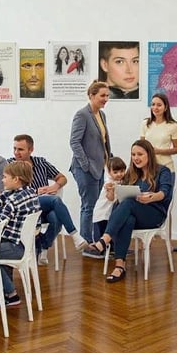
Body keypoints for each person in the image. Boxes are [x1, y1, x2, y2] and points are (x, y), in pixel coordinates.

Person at [83, 140, 172, 282]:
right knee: (127, 218)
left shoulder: (163, 171)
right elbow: (114, 198)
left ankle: (104, 240)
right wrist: (110, 192)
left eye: (140, 154)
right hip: (134, 215)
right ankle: (119, 266)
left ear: (149, 154)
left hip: (155, 214)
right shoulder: (131, 173)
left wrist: (152, 197)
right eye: (133, 154)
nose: (136, 158)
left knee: (129, 203)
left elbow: (164, 193)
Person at [7, 134, 88, 265]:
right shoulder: (10, 165)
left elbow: (62, 178)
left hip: (42, 206)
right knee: (55, 201)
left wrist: (55, 186)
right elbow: (9, 190)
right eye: (15, 149)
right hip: (25, 206)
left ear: (30, 150)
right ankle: (75, 235)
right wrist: (35, 191)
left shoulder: (40, 163)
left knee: (55, 217)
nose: (16, 152)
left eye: (20, 149)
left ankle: (43, 246)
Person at [0, 161, 42, 306]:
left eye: (5, 177)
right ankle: (6, 294)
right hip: (26, 245)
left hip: (15, 247)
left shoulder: (13, 201)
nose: (2, 180)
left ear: (16, 179)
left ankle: (11, 293)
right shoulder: (30, 192)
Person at [69, 81, 112, 242]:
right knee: (88, 207)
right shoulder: (82, 115)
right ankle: (86, 243)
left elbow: (103, 141)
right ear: (91, 96)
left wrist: (108, 160)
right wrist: (85, 164)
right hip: (85, 169)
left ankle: (94, 240)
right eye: (102, 95)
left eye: (107, 95)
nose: (105, 99)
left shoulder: (101, 115)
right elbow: (74, 142)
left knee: (95, 206)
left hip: (99, 167)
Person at [85, 157, 127, 258]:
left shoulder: (122, 182)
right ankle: (98, 250)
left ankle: (112, 249)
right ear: (109, 172)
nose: (119, 174)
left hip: (110, 213)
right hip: (102, 212)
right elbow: (110, 198)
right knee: (101, 232)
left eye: (122, 171)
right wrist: (111, 190)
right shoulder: (109, 183)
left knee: (111, 231)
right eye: (115, 172)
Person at [140, 93, 177, 178]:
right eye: (153, 104)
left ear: (165, 107)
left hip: (166, 168)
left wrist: (158, 151)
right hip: (148, 169)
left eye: (159, 105)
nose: (155, 108)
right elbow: (141, 147)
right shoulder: (145, 124)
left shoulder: (173, 125)